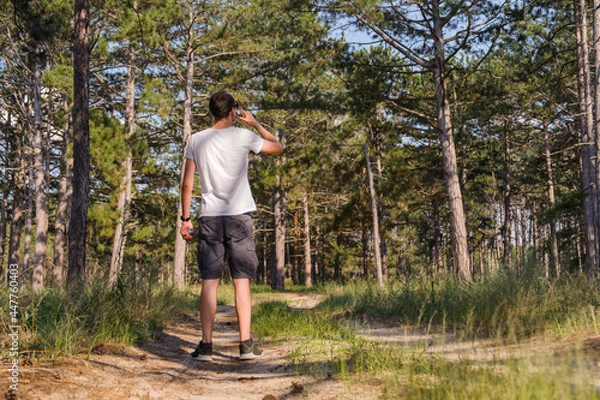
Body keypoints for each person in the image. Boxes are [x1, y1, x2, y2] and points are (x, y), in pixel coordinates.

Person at [179, 90, 283, 362]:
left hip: (210, 218)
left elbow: (187, 183)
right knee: (241, 282)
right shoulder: (244, 136)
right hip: (239, 217)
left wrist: (185, 219)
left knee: (210, 282)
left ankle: (206, 346)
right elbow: (277, 147)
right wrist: (255, 123)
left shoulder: (197, 140)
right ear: (233, 110)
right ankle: (246, 345)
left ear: (212, 111)